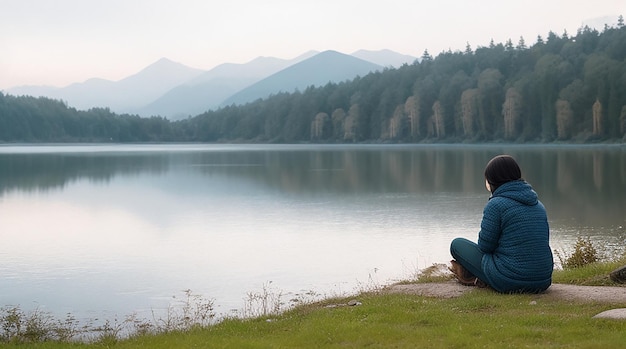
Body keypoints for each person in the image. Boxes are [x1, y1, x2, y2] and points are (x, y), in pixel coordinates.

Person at [449, 155, 553, 293]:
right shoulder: (538, 205)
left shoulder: (496, 205)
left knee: (457, 244)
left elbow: (485, 246)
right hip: (542, 280)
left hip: (509, 279)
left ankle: (478, 277)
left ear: (492, 180)